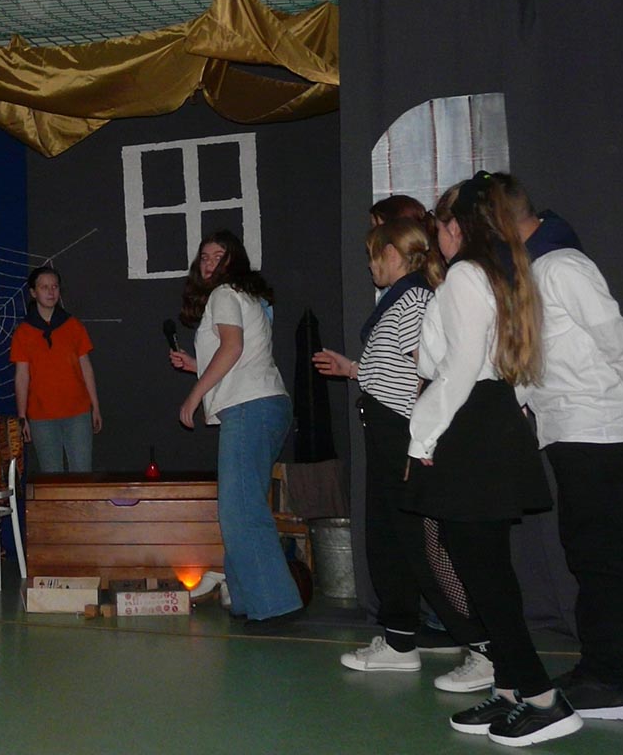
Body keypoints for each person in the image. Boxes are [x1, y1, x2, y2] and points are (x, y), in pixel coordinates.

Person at [405, 173, 581, 746]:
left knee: (485, 576)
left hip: (469, 427)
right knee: (486, 570)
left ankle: (543, 699)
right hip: (493, 420)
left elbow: (456, 370)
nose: (437, 239)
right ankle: (509, 690)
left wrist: (422, 436)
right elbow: (509, 367)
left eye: (439, 227)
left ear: (455, 227)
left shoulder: (464, 275)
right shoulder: (500, 272)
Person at [497, 173, 623, 720]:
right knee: (587, 553)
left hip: (599, 428)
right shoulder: (536, 268)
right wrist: (520, 403)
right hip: (573, 429)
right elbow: (540, 355)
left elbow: (621, 345)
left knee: (599, 558)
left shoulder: (563, 266)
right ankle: (597, 668)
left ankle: (610, 682)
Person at [313, 219, 494, 690]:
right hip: (385, 434)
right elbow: (394, 370)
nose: (370, 264)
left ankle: (484, 648)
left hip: (404, 437)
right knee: (387, 543)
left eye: (374, 254)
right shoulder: (399, 300)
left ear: (393, 253)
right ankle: (398, 642)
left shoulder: (413, 299)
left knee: (424, 546)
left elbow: (427, 372)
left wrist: (422, 440)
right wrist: (354, 370)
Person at [168, 230, 302, 627]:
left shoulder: (225, 294)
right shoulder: (248, 296)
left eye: (218, 255)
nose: (209, 262)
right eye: (204, 257)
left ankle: (276, 604)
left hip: (249, 407)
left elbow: (232, 348)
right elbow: (243, 355)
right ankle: (246, 599)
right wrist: (196, 366)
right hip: (266, 403)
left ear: (234, 259)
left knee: (240, 510)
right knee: (242, 506)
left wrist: (194, 396)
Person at [10, 266, 102, 472]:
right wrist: (22, 416)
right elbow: (22, 376)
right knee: (51, 475)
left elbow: (86, 367)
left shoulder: (73, 326)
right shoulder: (23, 332)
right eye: (44, 287)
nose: (51, 292)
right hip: (41, 416)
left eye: (55, 287)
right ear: (33, 292)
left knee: (82, 473)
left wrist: (95, 406)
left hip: (77, 412)